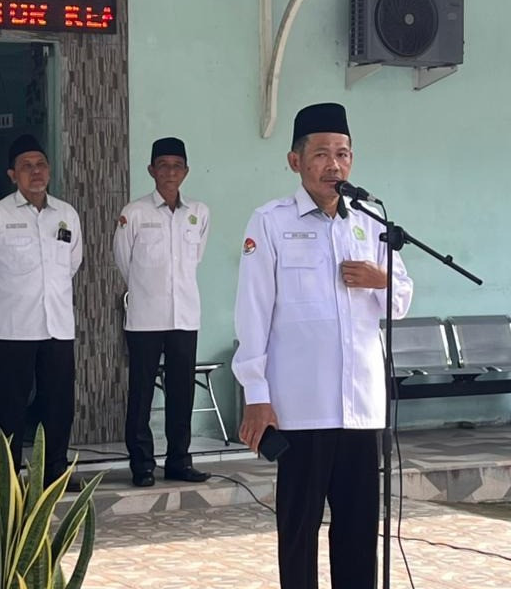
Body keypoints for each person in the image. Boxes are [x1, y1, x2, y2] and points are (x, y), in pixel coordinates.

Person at [232, 102, 413, 589]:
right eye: (321, 154)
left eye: (343, 154)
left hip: (360, 408)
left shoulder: (371, 221)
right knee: (299, 532)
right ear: (295, 161)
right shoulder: (270, 222)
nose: (334, 165)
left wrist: (380, 279)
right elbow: (252, 311)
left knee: (358, 533)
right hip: (300, 406)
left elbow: (399, 303)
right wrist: (256, 394)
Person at [0, 134, 83, 486]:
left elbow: (72, 262)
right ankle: (4, 476)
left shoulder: (66, 215)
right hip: (11, 328)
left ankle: (54, 471)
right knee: (6, 407)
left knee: (58, 405)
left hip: (57, 327)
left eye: (41, 164)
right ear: (12, 175)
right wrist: (6, 296)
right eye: (26, 166)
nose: (36, 172)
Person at [114, 137, 212, 487]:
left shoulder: (198, 213)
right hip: (145, 317)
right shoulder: (134, 213)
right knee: (141, 392)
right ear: (151, 170)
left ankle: (179, 461)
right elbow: (123, 261)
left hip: (185, 316)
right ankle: (142, 465)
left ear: (186, 171)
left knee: (182, 392)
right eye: (163, 166)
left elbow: (195, 258)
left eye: (177, 166)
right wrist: (147, 290)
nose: (170, 172)